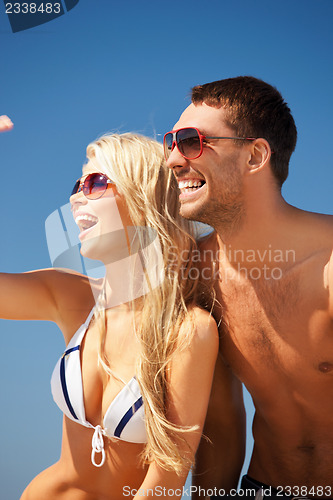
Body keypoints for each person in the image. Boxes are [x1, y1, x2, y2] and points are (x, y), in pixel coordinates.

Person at [0, 119, 222, 500]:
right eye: (76, 186)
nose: (75, 198)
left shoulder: (188, 331)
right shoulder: (69, 296)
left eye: (95, 183)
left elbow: (168, 479)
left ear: (142, 198)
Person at [164, 76, 333, 498]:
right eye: (170, 142)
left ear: (255, 155)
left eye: (190, 141)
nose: (171, 159)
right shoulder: (196, 273)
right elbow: (221, 424)